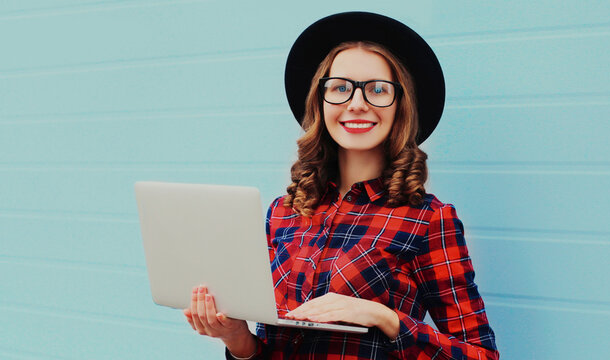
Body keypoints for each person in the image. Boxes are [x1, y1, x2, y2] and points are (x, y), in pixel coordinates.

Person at [183, 12, 499, 359]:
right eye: (340, 88)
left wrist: (384, 318)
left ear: (400, 106)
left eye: (378, 89)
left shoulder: (429, 220)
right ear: (320, 101)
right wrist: (237, 339)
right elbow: (270, 348)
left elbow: (480, 354)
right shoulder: (282, 214)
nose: (357, 103)